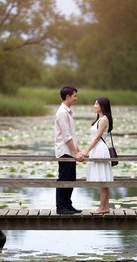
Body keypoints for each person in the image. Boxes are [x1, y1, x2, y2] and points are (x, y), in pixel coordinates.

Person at [54, 85, 84, 215]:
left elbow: (71, 135)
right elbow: (66, 136)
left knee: (71, 179)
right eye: (74, 96)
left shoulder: (67, 112)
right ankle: (61, 207)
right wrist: (76, 152)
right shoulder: (62, 113)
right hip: (65, 151)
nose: (76, 98)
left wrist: (78, 150)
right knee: (64, 179)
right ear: (67, 97)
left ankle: (68, 204)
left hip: (70, 151)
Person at [81, 97, 114, 214]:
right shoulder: (100, 119)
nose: (94, 106)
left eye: (96, 104)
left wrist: (86, 151)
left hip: (100, 149)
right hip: (97, 149)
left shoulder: (104, 120)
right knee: (103, 179)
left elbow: (96, 138)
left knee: (102, 179)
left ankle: (102, 207)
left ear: (103, 106)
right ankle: (105, 207)